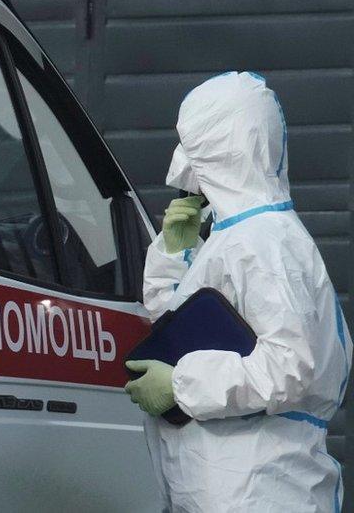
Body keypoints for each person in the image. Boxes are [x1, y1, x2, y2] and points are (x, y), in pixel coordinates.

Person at [124, 71, 351, 512]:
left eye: (190, 142)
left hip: (263, 489)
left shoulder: (264, 242)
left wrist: (182, 384)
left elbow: (288, 365)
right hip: (228, 486)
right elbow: (177, 325)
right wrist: (175, 252)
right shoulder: (233, 239)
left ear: (219, 146)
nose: (180, 159)